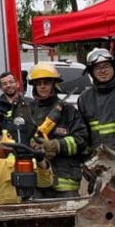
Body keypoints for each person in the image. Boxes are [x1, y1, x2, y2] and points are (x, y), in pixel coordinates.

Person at [0, 100, 52, 206]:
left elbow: (45, 183)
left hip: (15, 211)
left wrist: (41, 161)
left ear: (0, 123)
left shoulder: (18, 146)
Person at [28, 63, 88, 198]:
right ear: (34, 86)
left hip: (65, 181)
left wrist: (57, 146)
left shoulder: (68, 111)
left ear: (54, 85)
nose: (43, 86)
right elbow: (17, 139)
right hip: (36, 181)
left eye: (47, 83)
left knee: (68, 218)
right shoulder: (27, 111)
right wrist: (33, 147)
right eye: (39, 83)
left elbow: (82, 140)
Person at [77, 48, 115, 151]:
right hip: (98, 162)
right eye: (97, 67)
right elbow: (82, 135)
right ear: (91, 72)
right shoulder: (84, 99)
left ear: (113, 68)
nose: (103, 70)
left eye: (106, 66)